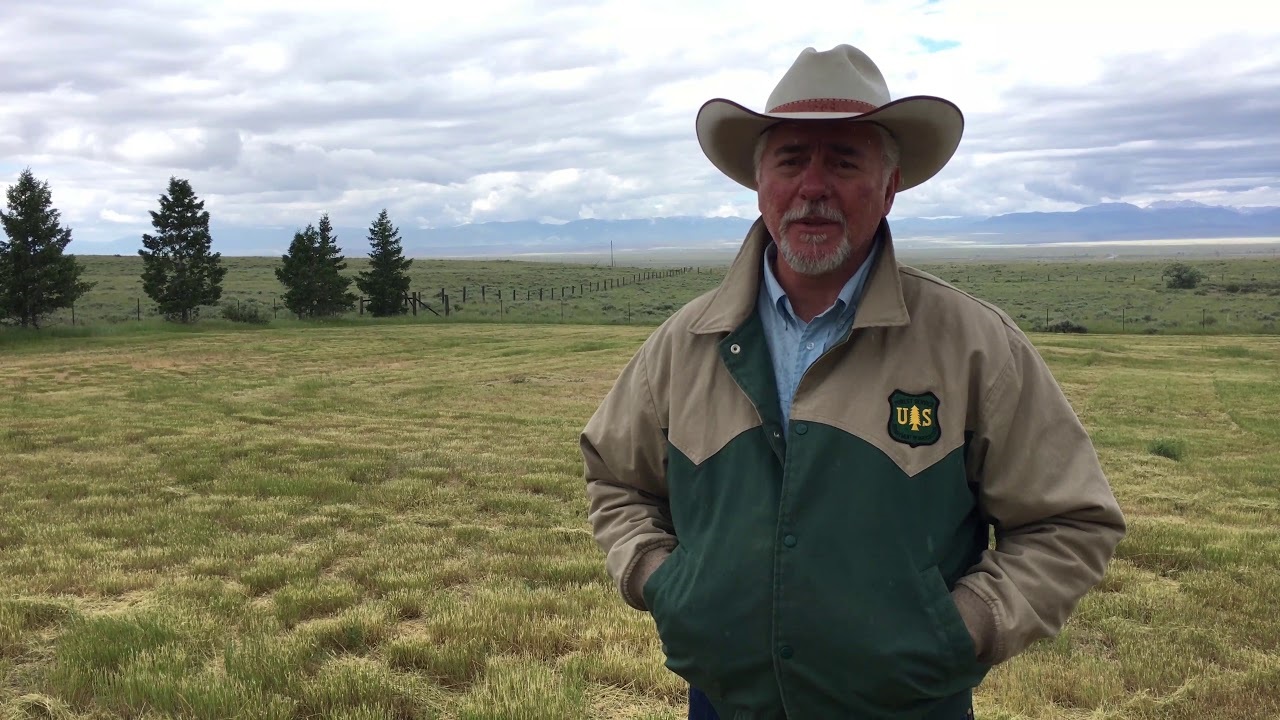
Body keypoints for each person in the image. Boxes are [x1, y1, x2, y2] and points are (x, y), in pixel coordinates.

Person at [579, 44, 1126, 720]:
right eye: (791, 160)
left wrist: (963, 627)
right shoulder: (684, 343)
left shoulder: (974, 344)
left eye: (843, 161)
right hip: (725, 705)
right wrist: (662, 582)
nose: (813, 186)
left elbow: (1070, 521)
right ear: (760, 184)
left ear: (890, 188)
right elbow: (615, 477)